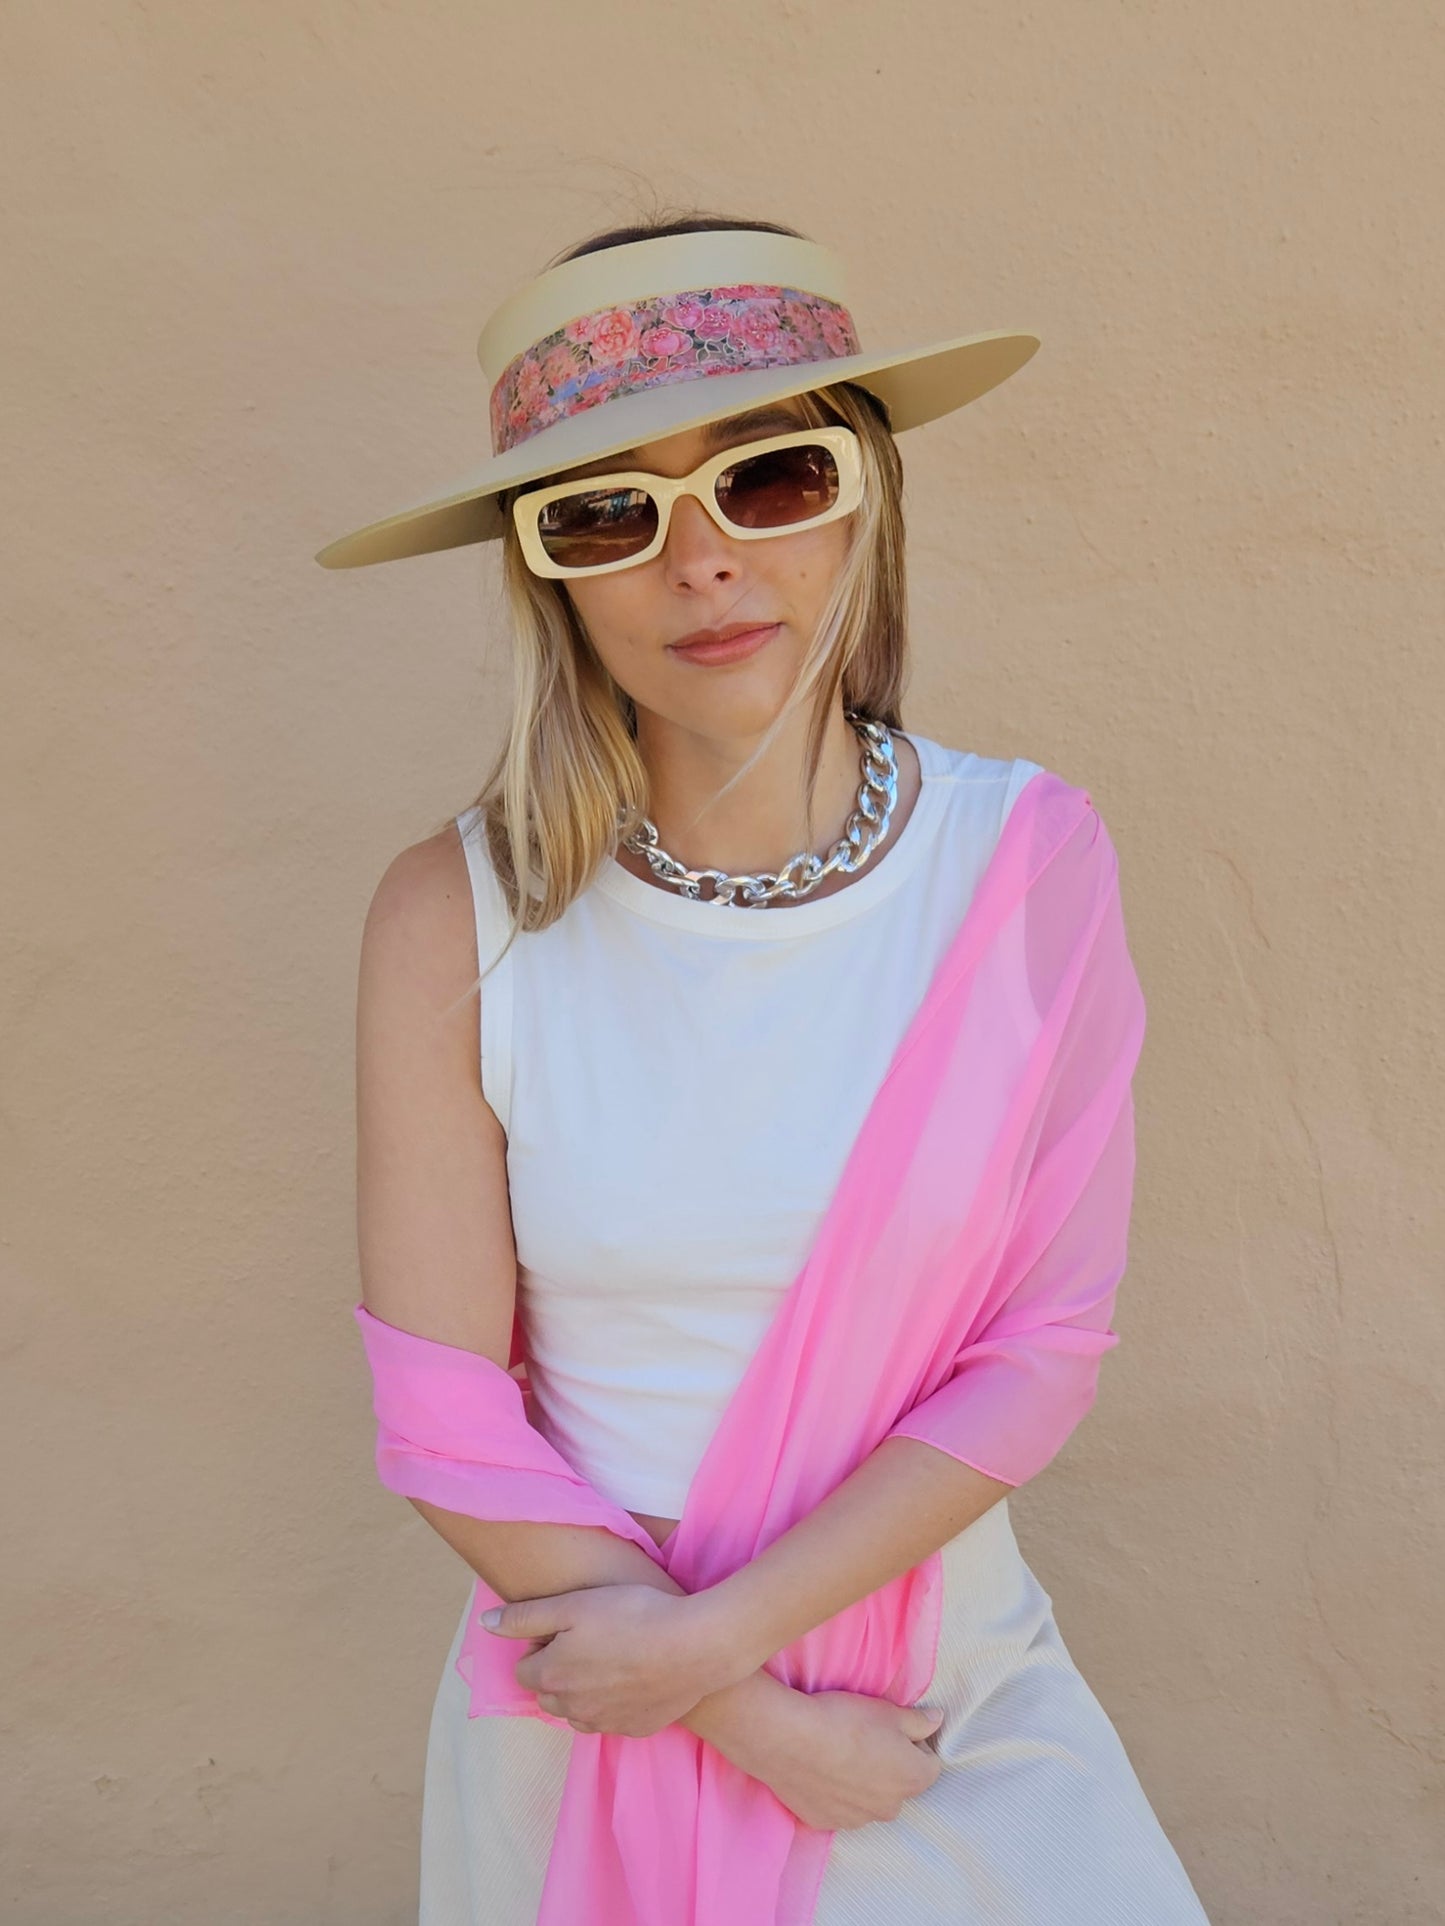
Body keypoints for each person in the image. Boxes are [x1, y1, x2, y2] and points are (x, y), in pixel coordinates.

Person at [323, 212, 1213, 1923]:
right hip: (587, 1686)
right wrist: (734, 1711)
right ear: (546, 573)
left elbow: (1038, 1347)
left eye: (769, 480)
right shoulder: (454, 916)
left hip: (934, 1689)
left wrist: (721, 1645)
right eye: (607, 510)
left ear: (863, 495)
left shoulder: (1022, 864)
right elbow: (445, 1415)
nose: (702, 561)